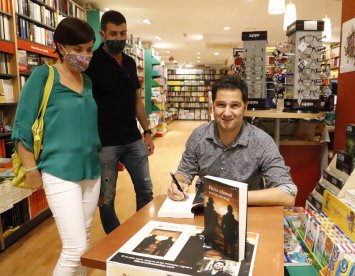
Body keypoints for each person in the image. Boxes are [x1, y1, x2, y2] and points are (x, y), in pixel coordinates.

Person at [12, 17, 100, 276]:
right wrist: (30, 169)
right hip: (58, 169)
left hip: (91, 170)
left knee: (84, 242)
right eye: (78, 49)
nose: (85, 56)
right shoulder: (43, 76)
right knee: (75, 249)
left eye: (89, 49)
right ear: (61, 47)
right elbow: (22, 126)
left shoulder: (88, 81)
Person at [167, 76, 297, 206]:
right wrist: (178, 184)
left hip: (247, 213)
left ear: (245, 107)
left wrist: (229, 197)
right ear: (212, 107)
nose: (227, 113)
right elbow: (184, 173)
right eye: (221, 105)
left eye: (235, 105)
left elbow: (288, 194)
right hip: (205, 211)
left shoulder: (261, 141)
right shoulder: (198, 136)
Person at [85, 10, 155, 234]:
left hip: (133, 139)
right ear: (102, 33)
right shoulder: (91, 63)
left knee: (145, 190)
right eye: (113, 33)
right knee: (106, 198)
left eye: (123, 33)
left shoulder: (131, 63)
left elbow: (136, 100)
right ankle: (115, 239)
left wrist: (147, 131)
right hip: (104, 143)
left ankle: (142, 234)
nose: (119, 37)